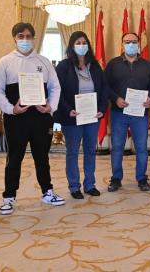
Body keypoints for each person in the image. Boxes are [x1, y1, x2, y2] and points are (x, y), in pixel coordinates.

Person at [0, 22, 65, 215]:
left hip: (41, 118)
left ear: (34, 38)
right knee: (14, 157)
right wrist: (11, 109)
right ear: (14, 38)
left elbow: (55, 88)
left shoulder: (44, 61)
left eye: (28, 36)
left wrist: (50, 106)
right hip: (16, 119)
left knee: (42, 156)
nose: (25, 40)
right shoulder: (5, 62)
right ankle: (9, 197)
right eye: (20, 36)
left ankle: (47, 191)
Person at [54, 31, 109, 199]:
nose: (81, 45)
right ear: (71, 45)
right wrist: (67, 109)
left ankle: (90, 184)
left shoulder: (95, 65)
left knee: (90, 151)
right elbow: (57, 92)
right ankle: (74, 186)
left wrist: (101, 108)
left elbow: (104, 89)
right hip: (72, 117)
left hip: (92, 117)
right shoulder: (63, 66)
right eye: (78, 42)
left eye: (84, 42)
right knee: (72, 152)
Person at [105, 32, 150, 192]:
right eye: (127, 42)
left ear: (139, 44)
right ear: (122, 44)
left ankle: (141, 178)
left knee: (141, 147)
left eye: (134, 42)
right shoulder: (113, 64)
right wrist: (116, 99)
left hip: (140, 113)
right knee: (117, 147)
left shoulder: (147, 65)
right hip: (118, 112)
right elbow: (105, 86)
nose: (131, 44)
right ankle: (116, 178)